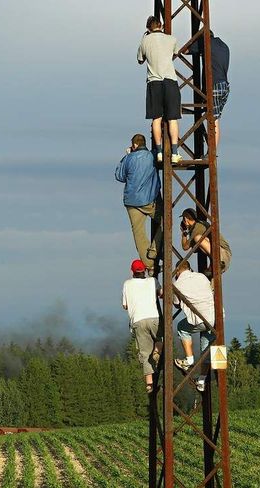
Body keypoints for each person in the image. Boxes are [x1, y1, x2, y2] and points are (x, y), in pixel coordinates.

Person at [137, 16, 183, 164]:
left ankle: (159, 152)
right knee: (172, 118)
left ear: (148, 28)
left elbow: (140, 60)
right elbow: (176, 53)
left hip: (154, 82)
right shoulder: (172, 39)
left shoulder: (145, 41)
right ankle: (175, 152)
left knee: (156, 118)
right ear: (161, 25)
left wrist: (146, 37)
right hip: (170, 81)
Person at [115, 134, 162, 274]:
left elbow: (119, 176)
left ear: (134, 145)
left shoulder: (129, 158)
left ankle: (149, 265)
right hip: (150, 200)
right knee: (166, 222)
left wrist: (126, 156)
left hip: (131, 201)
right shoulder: (152, 156)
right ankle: (154, 249)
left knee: (138, 233)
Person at [172, 260, 215, 392]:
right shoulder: (201, 277)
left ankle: (188, 360)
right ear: (189, 268)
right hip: (214, 318)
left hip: (199, 319)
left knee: (181, 327)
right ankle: (201, 380)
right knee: (206, 348)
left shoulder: (177, 284)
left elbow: (176, 304)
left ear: (177, 271)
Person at [122, 259, 162, 393]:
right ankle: (157, 350)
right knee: (159, 338)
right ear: (144, 270)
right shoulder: (152, 281)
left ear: (132, 271)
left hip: (137, 320)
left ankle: (149, 384)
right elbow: (161, 294)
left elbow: (125, 305)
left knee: (144, 353)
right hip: (153, 317)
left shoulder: (127, 284)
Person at [187, 31, 230, 148]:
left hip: (213, 86)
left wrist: (194, 43)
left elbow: (186, 50)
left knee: (212, 120)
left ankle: (212, 150)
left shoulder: (205, 43)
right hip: (224, 86)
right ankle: (212, 148)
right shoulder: (224, 45)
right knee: (215, 118)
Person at [180, 208, 232, 274]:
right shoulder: (196, 227)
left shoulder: (198, 227)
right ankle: (214, 263)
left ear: (185, 219)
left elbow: (185, 247)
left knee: (198, 238)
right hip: (222, 256)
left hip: (223, 254)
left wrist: (183, 234)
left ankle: (217, 260)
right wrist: (185, 232)